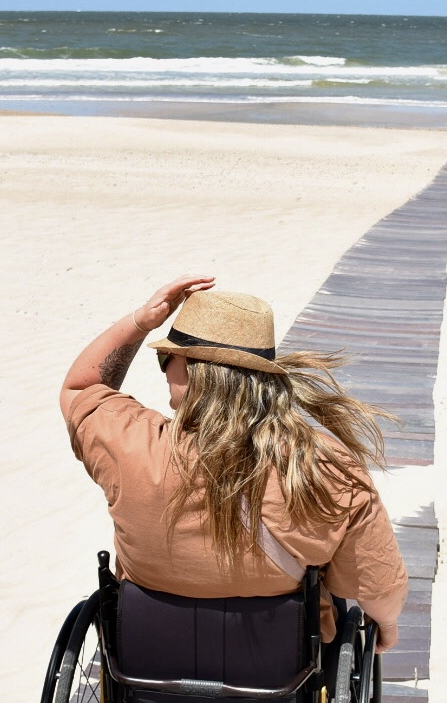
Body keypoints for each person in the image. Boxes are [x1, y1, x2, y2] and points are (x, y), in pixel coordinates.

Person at [60, 277, 409, 651]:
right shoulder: (319, 465)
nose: (164, 371)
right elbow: (376, 583)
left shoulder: (130, 444)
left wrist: (141, 321)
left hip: (148, 659)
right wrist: (385, 624)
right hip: (279, 670)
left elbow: (83, 386)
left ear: (192, 371)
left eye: (166, 359)